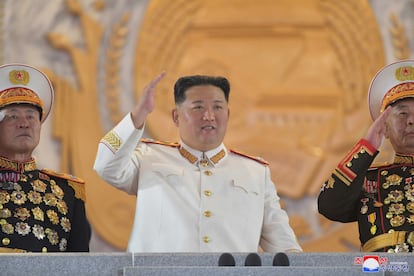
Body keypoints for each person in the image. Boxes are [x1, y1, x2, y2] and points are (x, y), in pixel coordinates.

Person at [93, 72, 302, 253]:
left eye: (218, 107)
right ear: (176, 117)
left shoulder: (256, 172)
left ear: (228, 115)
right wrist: (138, 115)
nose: (209, 116)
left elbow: (284, 245)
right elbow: (105, 165)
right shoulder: (148, 158)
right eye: (198, 107)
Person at [318, 60, 414, 253]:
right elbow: (330, 205)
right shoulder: (368, 178)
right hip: (382, 270)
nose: (411, 121)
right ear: (385, 128)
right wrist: (366, 147)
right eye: (402, 114)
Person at [0, 63, 90, 252]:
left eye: (31, 116)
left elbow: (81, 265)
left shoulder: (67, 192)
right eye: (13, 116)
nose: (24, 123)